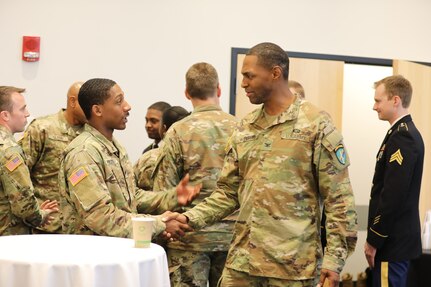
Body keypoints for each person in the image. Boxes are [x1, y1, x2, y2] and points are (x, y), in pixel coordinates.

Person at [164, 43, 357, 287]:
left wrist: (334, 261)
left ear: (275, 74)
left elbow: (339, 200)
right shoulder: (246, 127)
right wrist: (189, 219)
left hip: (292, 268)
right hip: (242, 264)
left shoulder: (315, 124)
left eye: (249, 76)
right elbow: (227, 193)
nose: (243, 83)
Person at [59, 78, 200, 238]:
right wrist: (160, 224)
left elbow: (131, 197)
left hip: (117, 251)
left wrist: (173, 197)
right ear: (97, 110)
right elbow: (100, 216)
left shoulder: (114, 147)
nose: (127, 106)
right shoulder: (83, 153)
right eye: (119, 102)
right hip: (92, 257)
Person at [153, 62, 239, 287]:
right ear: (219, 90)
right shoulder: (241, 128)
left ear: (187, 93)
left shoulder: (177, 131)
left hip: (187, 236)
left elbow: (165, 190)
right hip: (233, 237)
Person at [364, 75, 424, 287]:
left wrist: (374, 239)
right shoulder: (399, 133)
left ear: (395, 100)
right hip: (394, 241)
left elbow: (392, 195)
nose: (374, 107)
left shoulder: (402, 136)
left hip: (392, 242)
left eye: (378, 101)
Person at [19, 82, 86, 233]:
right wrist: (32, 212)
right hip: (47, 225)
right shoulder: (43, 128)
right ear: (73, 101)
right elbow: (21, 175)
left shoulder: (91, 133)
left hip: (80, 228)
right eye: (86, 103)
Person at [0, 86, 58, 235]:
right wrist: (41, 216)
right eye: (22, 109)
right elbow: (22, 200)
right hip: (8, 238)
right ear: (5, 115)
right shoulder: (9, 151)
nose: (27, 114)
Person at [134, 106, 189, 190]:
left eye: (154, 121)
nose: (148, 125)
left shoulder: (148, 157)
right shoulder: (147, 152)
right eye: (146, 120)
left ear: (164, 127)